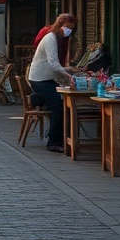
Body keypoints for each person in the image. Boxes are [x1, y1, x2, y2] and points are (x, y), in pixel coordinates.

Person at [27, 15, 76, 152]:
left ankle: (66, 138)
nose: (69, 31)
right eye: (67, 28)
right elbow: (53, 63)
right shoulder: (50, 38)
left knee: (62, 104)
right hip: (40, 79)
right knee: (58, 105)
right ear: (60, 25)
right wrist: (68, 75)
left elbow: (55, 65)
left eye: (71, 29)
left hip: (47, 79)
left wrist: (68, 70)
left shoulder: (58, 39)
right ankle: (54, 141)